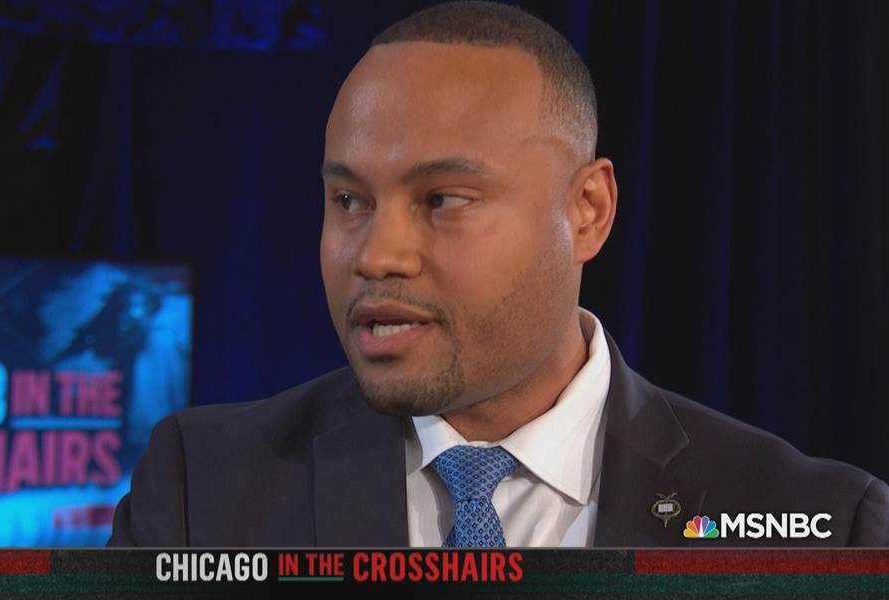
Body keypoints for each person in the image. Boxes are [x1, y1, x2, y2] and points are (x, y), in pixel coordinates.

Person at [109, 1, 889, 547]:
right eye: (349, 200)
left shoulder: (817, 522)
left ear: (586, 211)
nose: (375, 255)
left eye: (441, 199)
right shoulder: (201, 490)